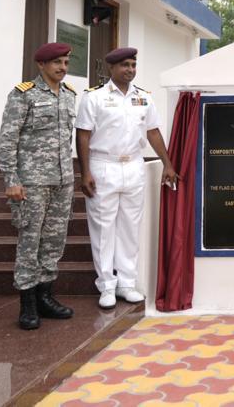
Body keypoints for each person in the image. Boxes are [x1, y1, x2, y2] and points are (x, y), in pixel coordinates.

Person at [76, 47, 178, 309]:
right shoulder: (94, 98)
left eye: (133, 65)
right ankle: (106, 285)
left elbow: (153, 132)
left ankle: (127, 283)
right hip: (103, 166)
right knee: (103, 228)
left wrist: (167, 164)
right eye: (124, 65)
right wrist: (84, 171)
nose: (130, 70)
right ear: (111, 69)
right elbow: (83, 135)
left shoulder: (143, 98)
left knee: (130, 228)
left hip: (133, 166)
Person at [0, 42, 78, 330]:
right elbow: (8, 141)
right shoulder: (23, 95)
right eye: (57, 62)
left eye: (66, 62)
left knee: (54, 242)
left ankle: (46, 297)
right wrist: (12, 180)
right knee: (29, 243)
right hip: (31, 182)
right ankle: (27, 303)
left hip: (62, 181)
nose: (62, 68)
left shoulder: (69, 96)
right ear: (41, 65)